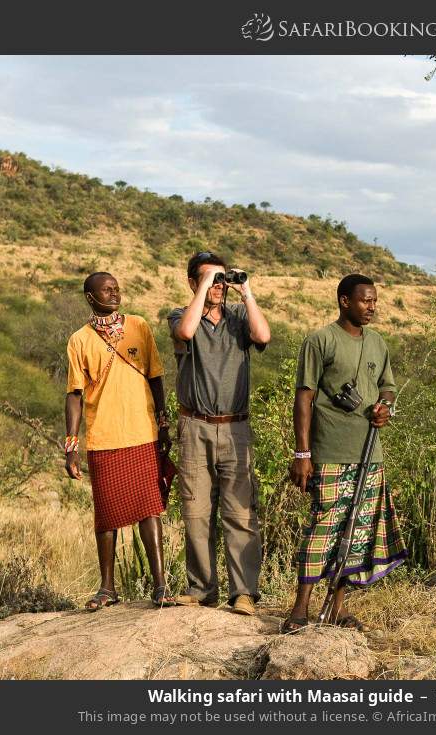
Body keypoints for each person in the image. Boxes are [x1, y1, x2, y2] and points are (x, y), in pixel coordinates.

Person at [284, 273, 408, 633]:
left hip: (370, 453)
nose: (371, 307)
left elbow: (388, 388)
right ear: (344, 301)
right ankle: (299, 610)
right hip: (330, 451)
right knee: (323, 527)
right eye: (365, 300)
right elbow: (303, 397)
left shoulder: (378, 343)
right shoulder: (320, 340)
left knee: (354, 532)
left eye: (374, 301)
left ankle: (337, 608)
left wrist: (385, 407)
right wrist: (302, 453)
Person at [65, 271, 177, 610]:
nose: (114, 294)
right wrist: (71, 445)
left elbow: (156, 377)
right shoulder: (79, 340)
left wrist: (163, 424)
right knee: (107, 514)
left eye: (116, 288)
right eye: (107, 290)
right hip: (104, 436)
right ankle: (107, 588)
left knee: (149, 508)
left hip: (142, 430)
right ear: (90, 297)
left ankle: (160, 585)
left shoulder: (140, 326)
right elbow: (74, 394)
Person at [167, 251, 271, 615]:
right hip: (194, 425)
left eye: (222, 279)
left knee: (240, 512)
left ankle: (244, 592)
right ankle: (201, 588)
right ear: (193, 283)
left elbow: (264, 335)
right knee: (196, 511)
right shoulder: (181, 315)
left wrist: (246, 292)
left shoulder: (239, 318)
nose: (219, 286)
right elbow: (185, 332)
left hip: (235, 427)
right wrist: (205, 289)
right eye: (211, 279)